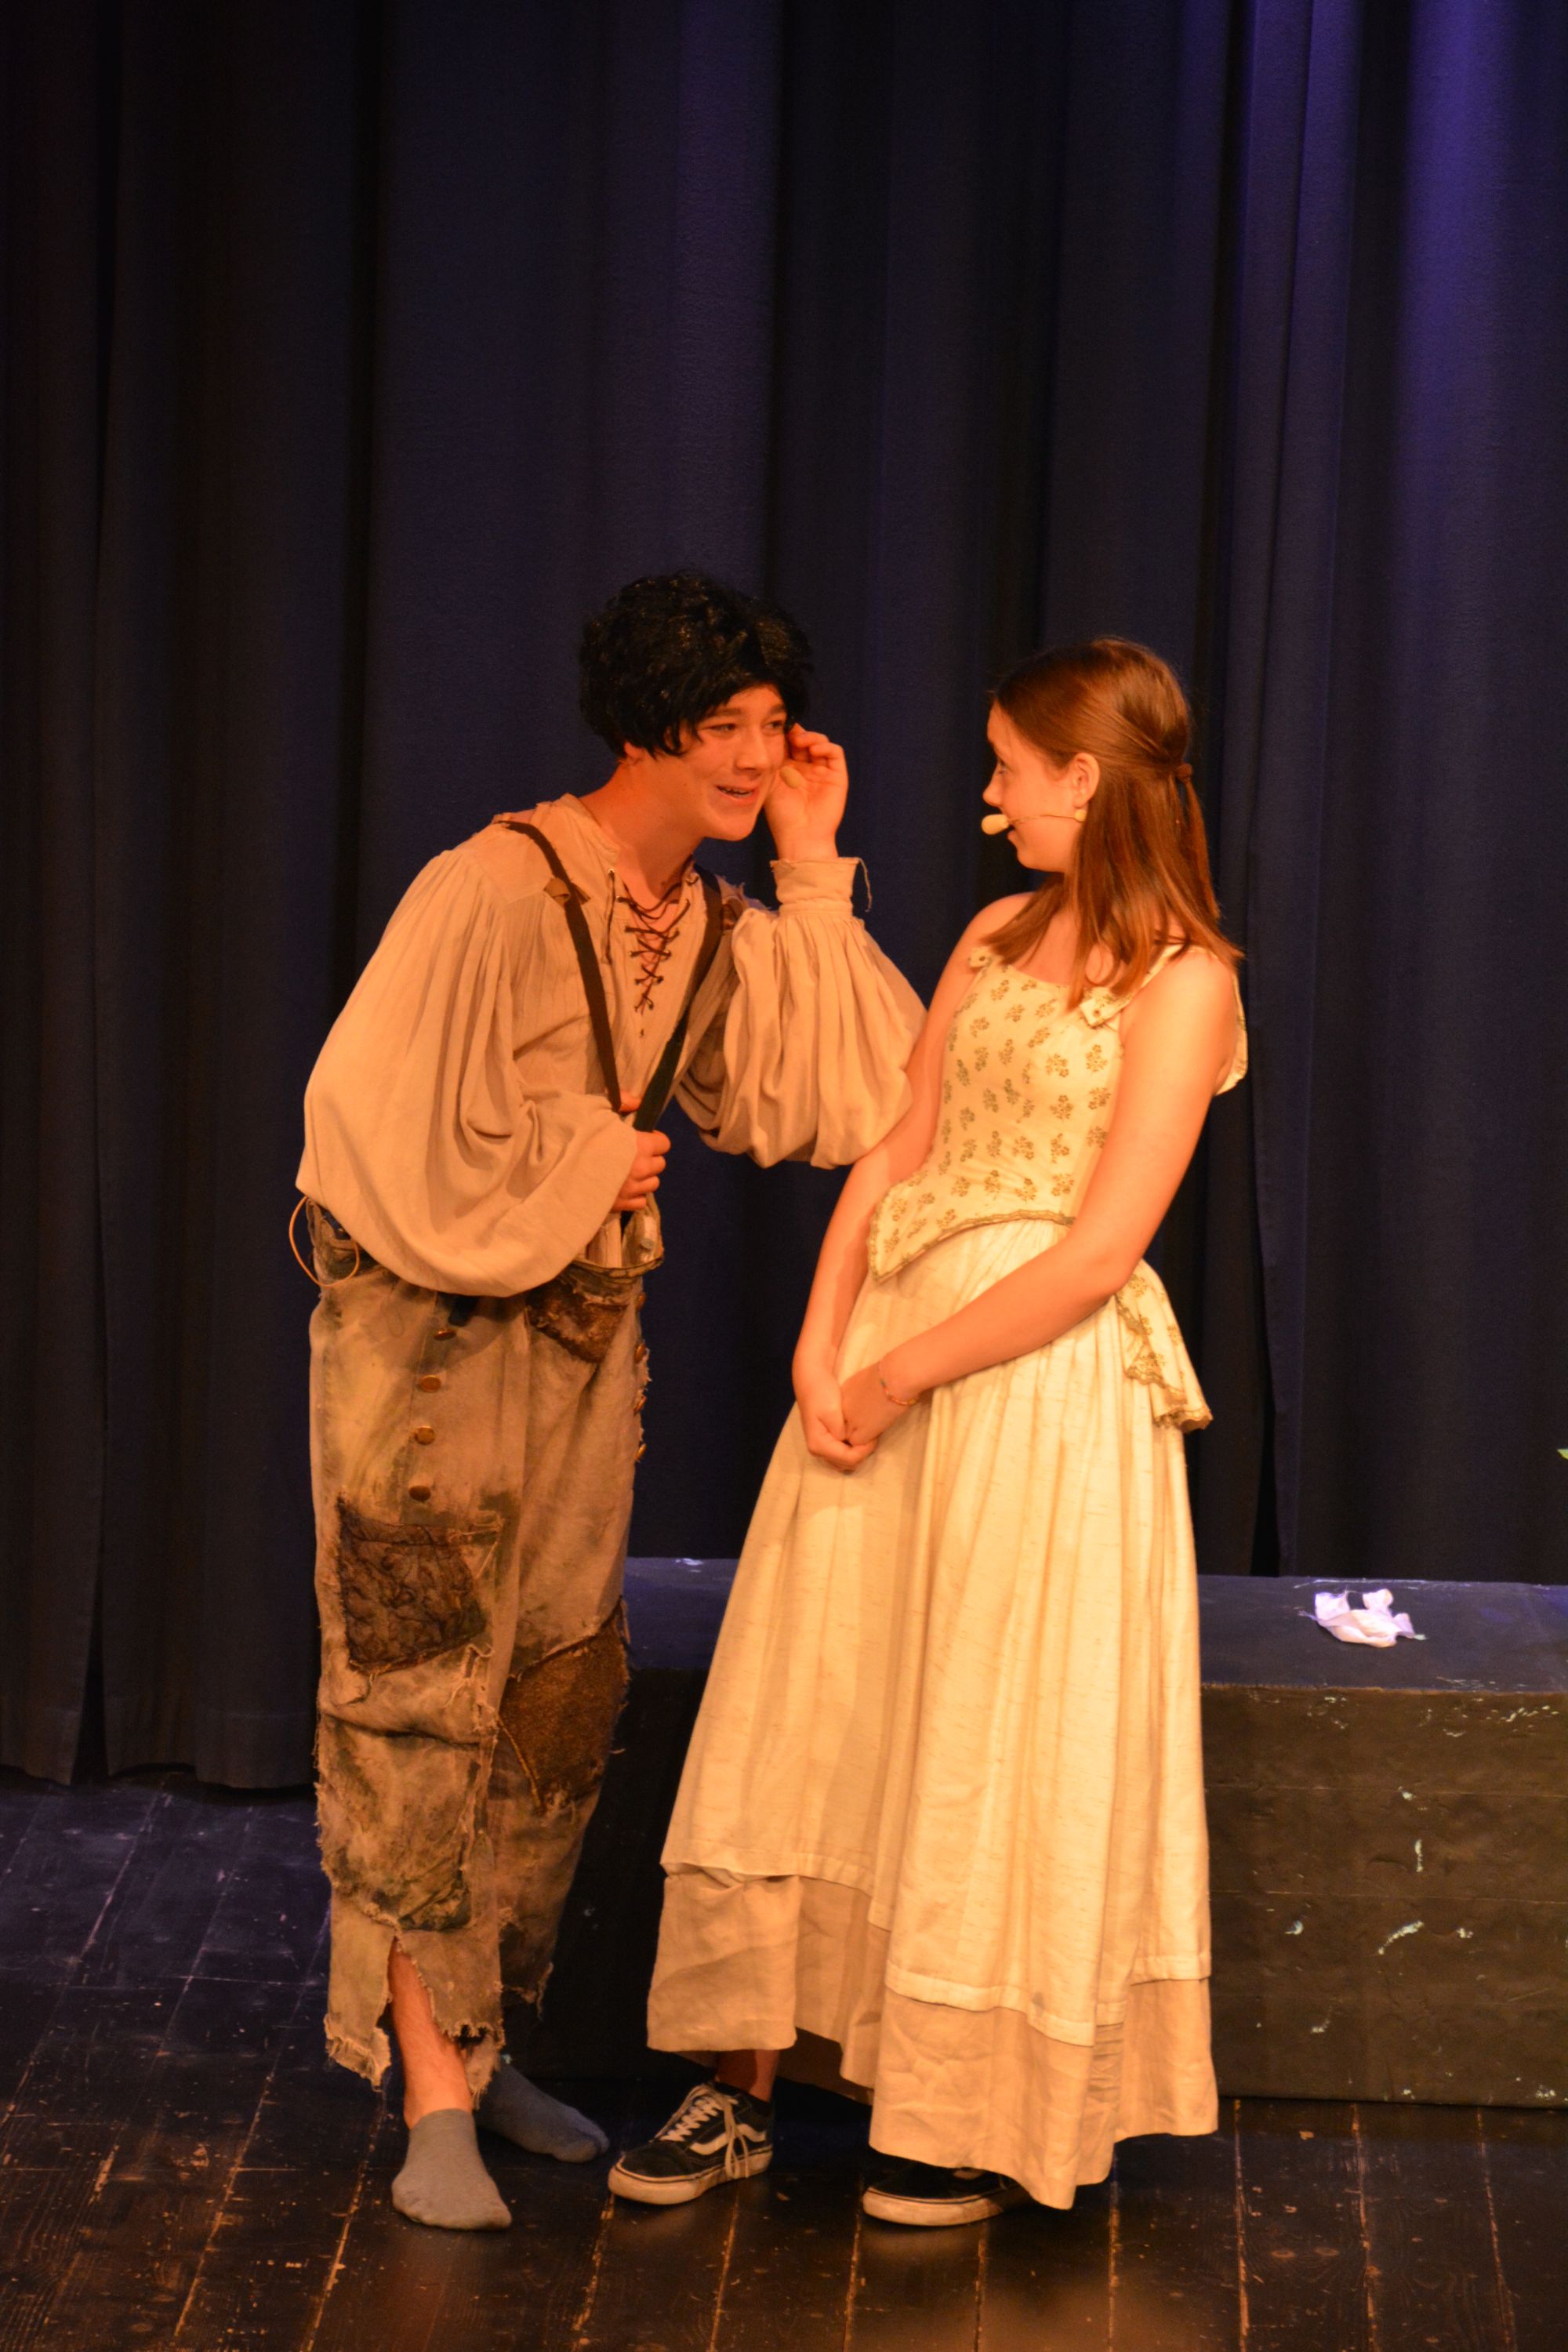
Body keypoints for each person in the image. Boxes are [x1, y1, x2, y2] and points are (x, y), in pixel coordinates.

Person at [296, 572, 922, 2230]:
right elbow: (361, 1128)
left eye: (772, 727)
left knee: (557, 1699)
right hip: (426, 1360)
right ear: (647, 727)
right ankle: (426, 2080)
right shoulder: (492, 886)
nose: (755, 757)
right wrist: (581, 1159)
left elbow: (855, 1090)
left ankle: (483, 2033)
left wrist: (809, 868)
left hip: (578, 1351)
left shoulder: (704, 917)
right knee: (419, 1692)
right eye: (724, 729)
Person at [612, 637, 1246, 2227]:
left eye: (1008, 770)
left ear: (1083, 775)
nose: (988, 800)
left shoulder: (1186, 981)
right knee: (817, 1698)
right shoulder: (992, 932)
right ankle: (741, 2082)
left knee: (988, 1724)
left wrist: (904, 1374)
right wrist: (825, 1339)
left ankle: (956, 2112)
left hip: (1033, 1388)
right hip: (890, 1338)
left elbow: (1100, 1249)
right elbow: (898, 1146)